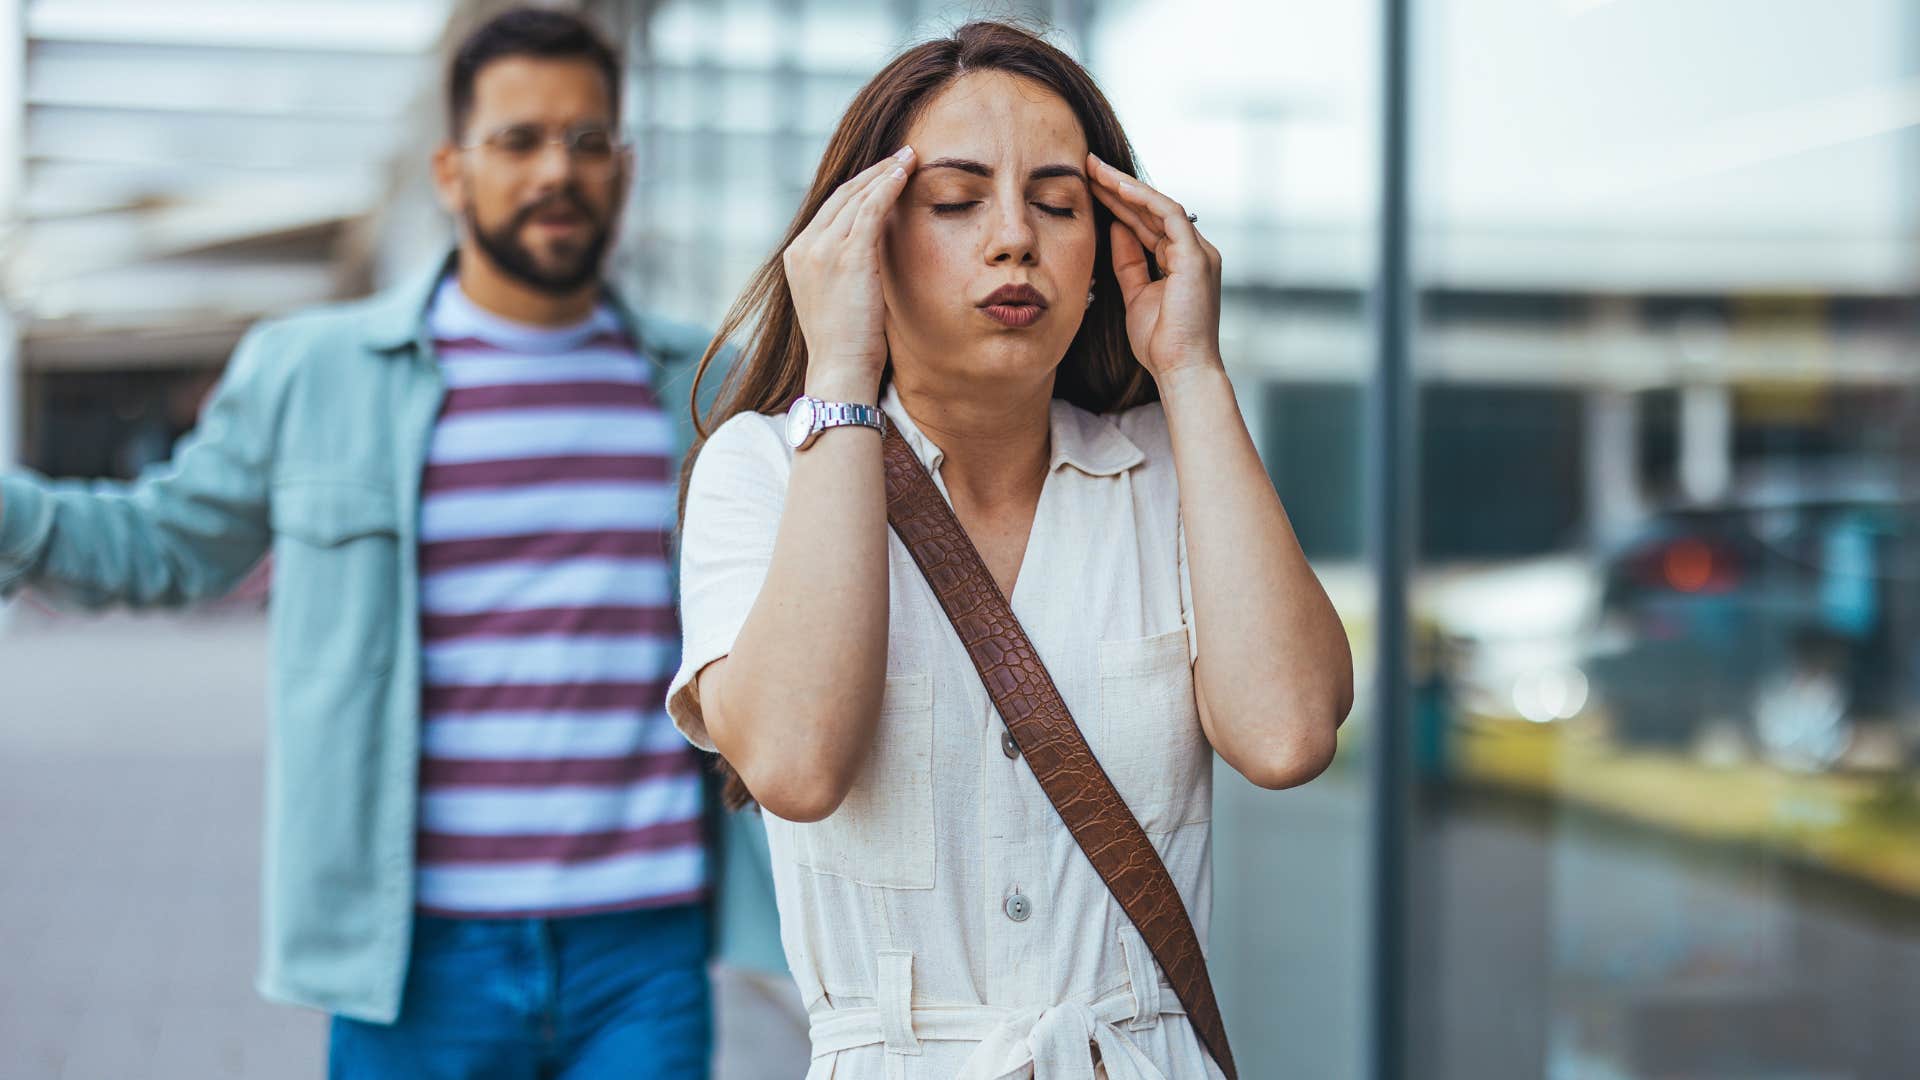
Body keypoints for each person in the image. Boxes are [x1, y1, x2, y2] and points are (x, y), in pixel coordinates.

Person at [0, 8, 781, 1077]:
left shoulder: (708, 389)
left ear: (626, 168)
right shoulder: (312, 373)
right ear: (451, 171)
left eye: (588, 140)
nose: (558, 168)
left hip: (641, 948)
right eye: (519, 140)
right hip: (412, 957)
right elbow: (164, 546)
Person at [668, 20, 1353, 1080]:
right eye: (954, 202)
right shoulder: (763, 470)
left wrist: (1194, 371)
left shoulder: (1171, 472)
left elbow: (1287, 734)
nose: (1013, 239)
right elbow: (796, 765)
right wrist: (842, 377)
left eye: (1059, 203)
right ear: (866, 238)